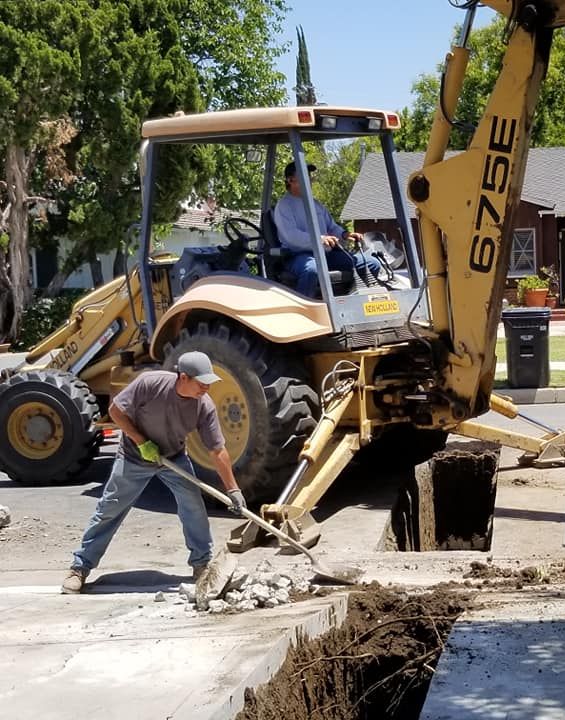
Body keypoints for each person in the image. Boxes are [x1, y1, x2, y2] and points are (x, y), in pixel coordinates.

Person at [61, 351, 246, 594]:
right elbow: (116, 411)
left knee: (193, 508)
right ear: (183, 377)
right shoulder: (150, 383)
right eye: (201, 383)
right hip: (133, 456)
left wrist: (233, 489)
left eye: (208, 383)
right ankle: (79, 567)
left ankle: (201, 564)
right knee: (109, 510)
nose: (206, 388)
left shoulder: (204, 406)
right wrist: (141, 441)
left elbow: (217, 451)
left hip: (173, 458)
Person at [274, 161, 381, 297]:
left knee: (372, 263)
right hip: (299, 256)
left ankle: (350, 300)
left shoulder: (316, 204)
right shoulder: (284, 206)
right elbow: (292, 236)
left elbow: (331, 226)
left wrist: (344, 234)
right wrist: (321, 239)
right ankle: (305, 306)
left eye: (309, 176)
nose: (309, 180)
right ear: (290, 180)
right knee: (312, 269)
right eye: (303, 176)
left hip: (326, 255)